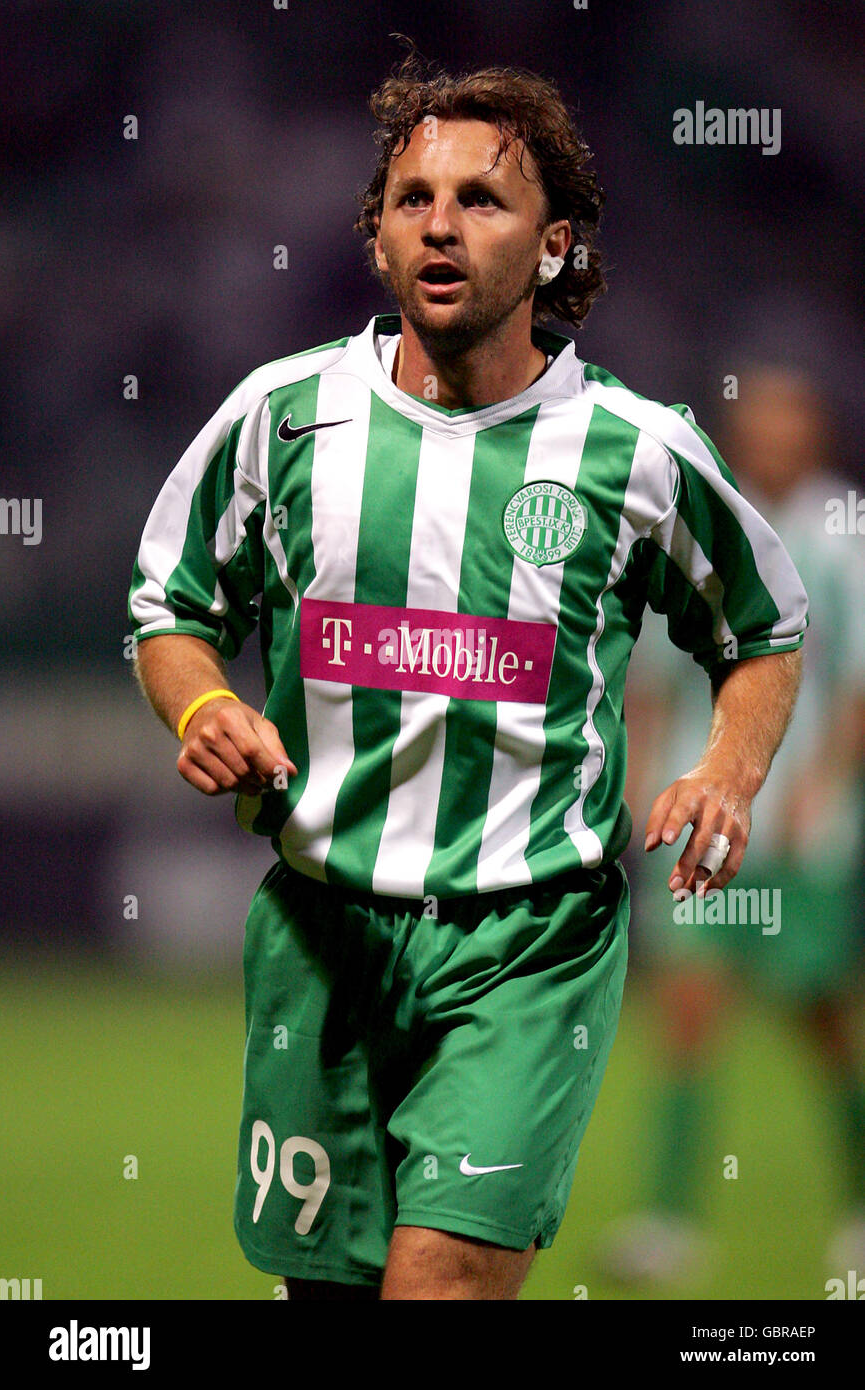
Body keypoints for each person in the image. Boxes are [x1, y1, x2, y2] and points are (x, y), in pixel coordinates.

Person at [128, 50, 808, 1301]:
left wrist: (727, 769)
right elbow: (168, 606)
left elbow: (760, 629)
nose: (439, 221)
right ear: (378, 240)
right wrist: (208, 702)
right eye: (411, 198)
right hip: (321, 936)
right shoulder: (279, 418)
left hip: (528, 936)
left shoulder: (634, 450)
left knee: (439, 1283)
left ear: (553, 246)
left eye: (480, 199)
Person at [597, 365, 865, 1288]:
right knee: (688, 1017)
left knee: (825, 1021)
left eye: (795, 415)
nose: (777, 433)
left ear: (817, 429)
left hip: (805, 831)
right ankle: (670, 1224)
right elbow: (655, 673)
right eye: (764, 416)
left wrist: (822, 786)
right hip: (703, 824)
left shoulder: (843, 531)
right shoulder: (707, 516)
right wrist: (638, 776)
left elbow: (858, 682)